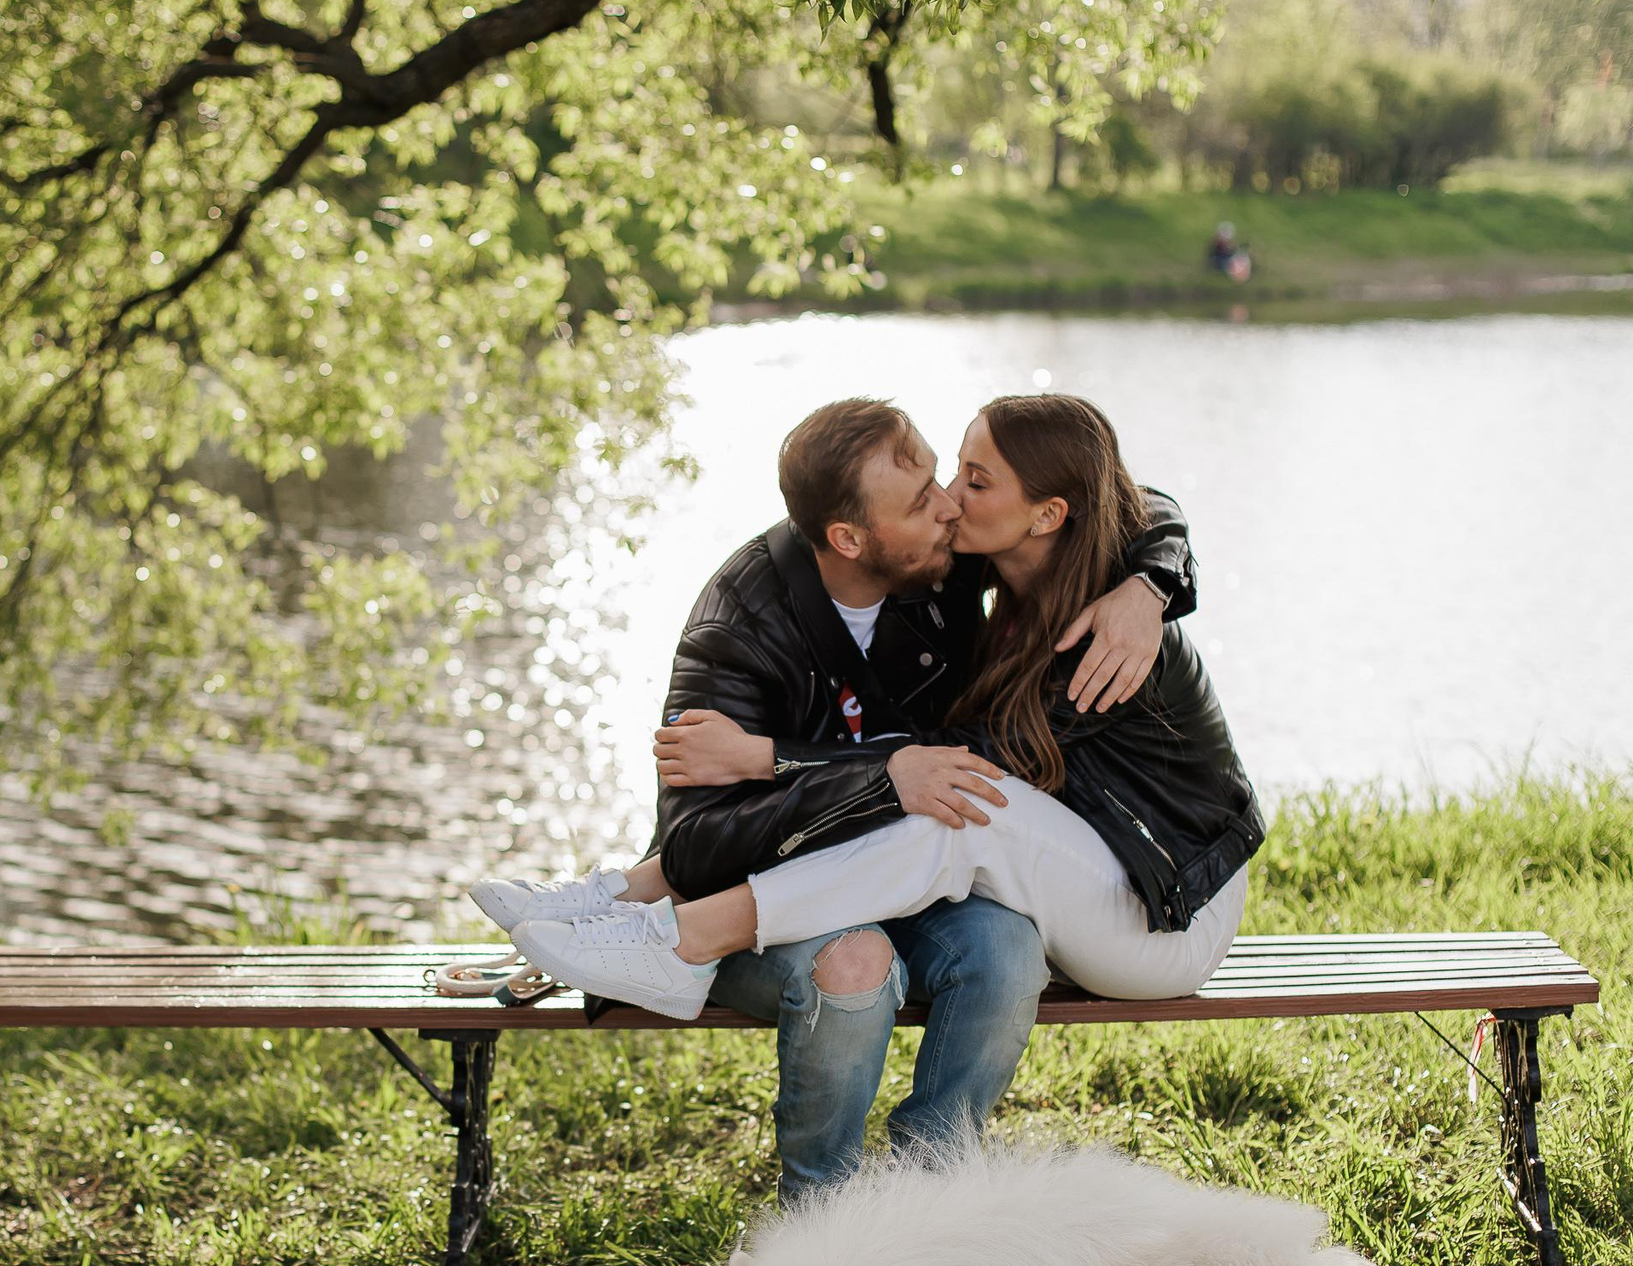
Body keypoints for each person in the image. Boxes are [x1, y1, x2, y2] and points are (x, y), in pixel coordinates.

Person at [471, 396, 1201, 1201]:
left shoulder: (946, 562)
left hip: (912, 870)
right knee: (855, 961)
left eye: (944, 477)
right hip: (788, 892)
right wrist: (870, 775)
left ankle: (929, 1200)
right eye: (924, 497)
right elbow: (696, 849)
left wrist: (1150, 584)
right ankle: (815, 1214)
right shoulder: (739, 621)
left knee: (1005, 950)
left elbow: (1115, 499)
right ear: (852, 539)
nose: (949, 505)